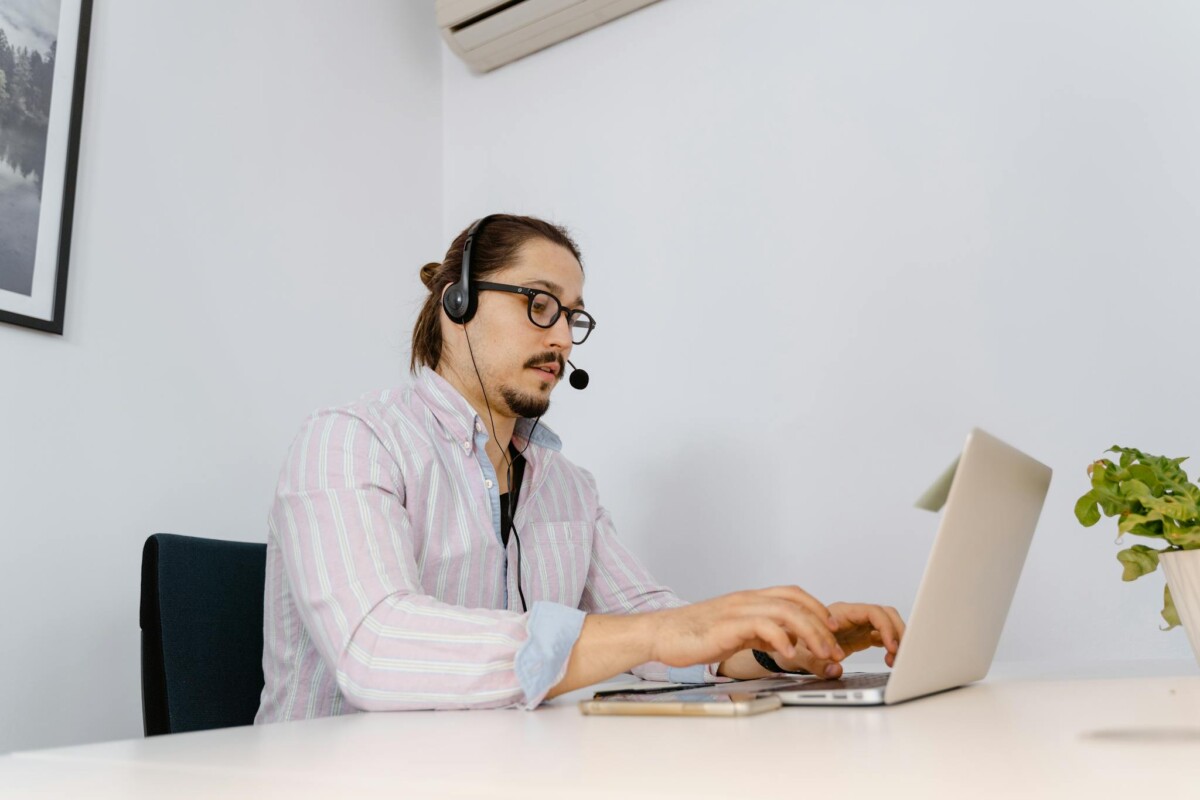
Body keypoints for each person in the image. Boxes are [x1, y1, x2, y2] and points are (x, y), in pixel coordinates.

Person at [255, 214, 905, 723]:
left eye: (573, 316)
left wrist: (774, 644)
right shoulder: (348, 441)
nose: (563, 338)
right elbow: (378, 649)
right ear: (456, 305)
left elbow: (651, 635)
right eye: (540, 304)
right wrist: (659, 630)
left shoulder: (568, 488)